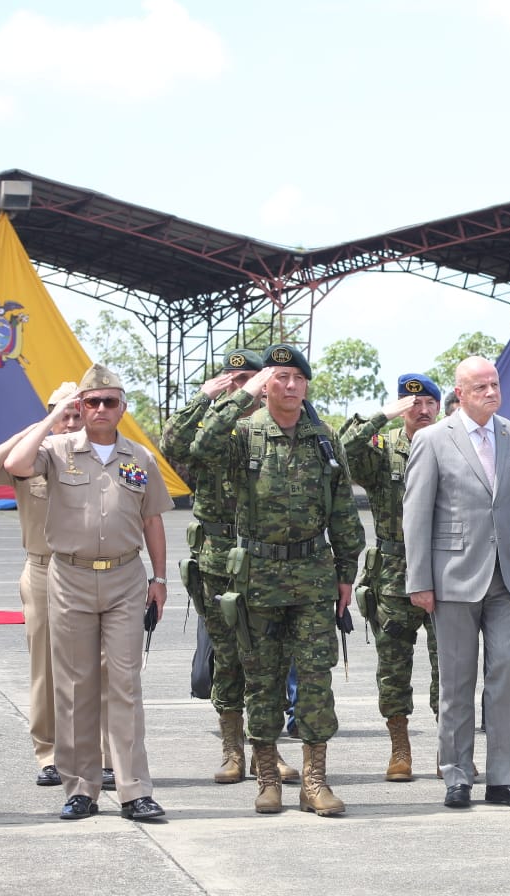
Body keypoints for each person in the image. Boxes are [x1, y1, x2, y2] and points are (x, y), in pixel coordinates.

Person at [190, 343, 365, 816]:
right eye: (280, 377)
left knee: (315, 680)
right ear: (265, 384)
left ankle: (314, 782)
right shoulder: (241, 434)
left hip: (313, 576)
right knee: (262, 679)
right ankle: (268, 778)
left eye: (297, 379)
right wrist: (239, 395)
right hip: (258, 577)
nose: (290, 386)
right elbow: (198, 447)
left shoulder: (324, 437)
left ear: (306, 386)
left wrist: (346, 573)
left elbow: (344, 511)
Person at [4, 364, 171, 821]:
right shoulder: (57, 449)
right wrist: (53, 415)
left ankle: (135, 790)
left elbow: (153, 519)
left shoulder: (139, 457)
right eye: (90, 401)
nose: (99, 409)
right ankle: (80, 789)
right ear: (79, 405)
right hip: (70, 577)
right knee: (75, 686)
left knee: (125, 684)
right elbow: (16, 465)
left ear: (122, 408)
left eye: (108, 401)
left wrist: (159, 579)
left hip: (124, 577)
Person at [404, 356, 510, 810]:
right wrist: (419, 580)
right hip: (453, 578)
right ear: (459, 393)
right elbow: (416, 514)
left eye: (494, 384)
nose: (491, 392)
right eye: (480, 386)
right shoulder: (432, 440)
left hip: (507, 578)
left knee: (505, 677)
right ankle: (457, 774)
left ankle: (503, 779)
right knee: (456, 682)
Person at [161, 349, 302, 787]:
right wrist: (207, 397)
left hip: (265, 561)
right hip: (218, 559)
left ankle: (267, 751)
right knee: (227, 659)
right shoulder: (213, 424)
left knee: (269, 661)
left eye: (251, 379)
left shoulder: (274, 426)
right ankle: (232, 751)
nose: (244, 387)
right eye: (235, 379)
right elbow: (173, 446)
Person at [0, 383, 112, 790]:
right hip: (44, 571)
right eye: (63, 414)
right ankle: (51, 754)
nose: (70, 422)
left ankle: (105, 757)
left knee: (103, 668)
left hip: (94, 572)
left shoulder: (103, 456)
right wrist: (30, 431)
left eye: (76, 413)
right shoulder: (30, 457)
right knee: (45, 668)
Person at [339, 372, 443, 781]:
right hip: (394, 575)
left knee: (449, 666)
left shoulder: (451, 444)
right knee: (393, 666)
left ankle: (448, 746)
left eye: (428, 402)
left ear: (439, 406)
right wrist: (382, 416)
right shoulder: (382, 450)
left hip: (446, 571)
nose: (421, 410)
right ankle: (400, 748)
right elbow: (343, 450)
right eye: (412, 403)